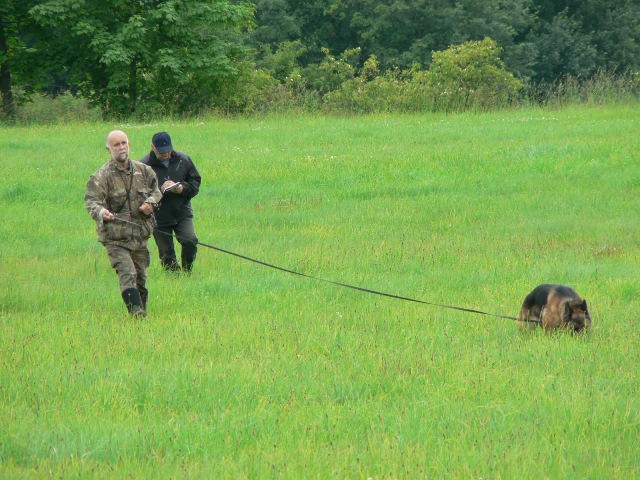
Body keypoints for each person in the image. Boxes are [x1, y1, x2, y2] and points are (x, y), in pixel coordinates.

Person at [85, 130, 162, 317]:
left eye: (124, 143)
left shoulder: (144, 171)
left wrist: (150, 203)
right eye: (116, 145)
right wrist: (102, 212)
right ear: (108, 149)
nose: (121, 148)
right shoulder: (101, 176)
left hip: (139, 235)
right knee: (128, 273)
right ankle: (135, 311)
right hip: (115, 238)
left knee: (141, 277)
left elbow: (157, 192)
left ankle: (142, 312)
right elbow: (91, 202)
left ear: (129, 144)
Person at [140, 132, 202, 274]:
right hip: (158, 216)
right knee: (167, 255)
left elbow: (195, 182)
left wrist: (182, 188)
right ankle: (174, 280)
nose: (166, 154)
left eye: (168, 150)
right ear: (153, 148)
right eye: (162, 152)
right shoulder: (143, 166)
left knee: (190, 241)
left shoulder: (183, 160)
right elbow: (138, 194)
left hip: (182, 211)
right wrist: (159, 191)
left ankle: (187, 272)